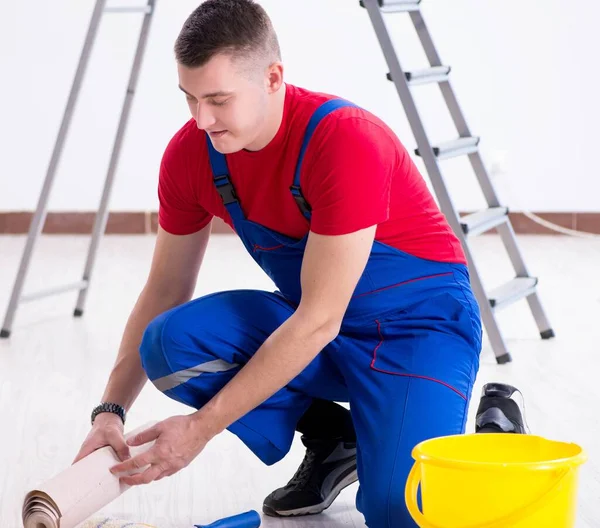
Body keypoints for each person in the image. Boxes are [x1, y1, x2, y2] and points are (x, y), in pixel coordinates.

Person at [73, 1, 526, 526]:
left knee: (400, 511)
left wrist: (199, 430)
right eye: (190, 99)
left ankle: (495, 436)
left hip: (416, 333)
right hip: (322, 331)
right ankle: (339, 439)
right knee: (169, 344)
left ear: (272, 78)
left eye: (218, 100)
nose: (202, 120)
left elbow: (318, 318)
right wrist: (110, 411)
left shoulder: (345, 141)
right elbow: (165, 289)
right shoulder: (192, 154)